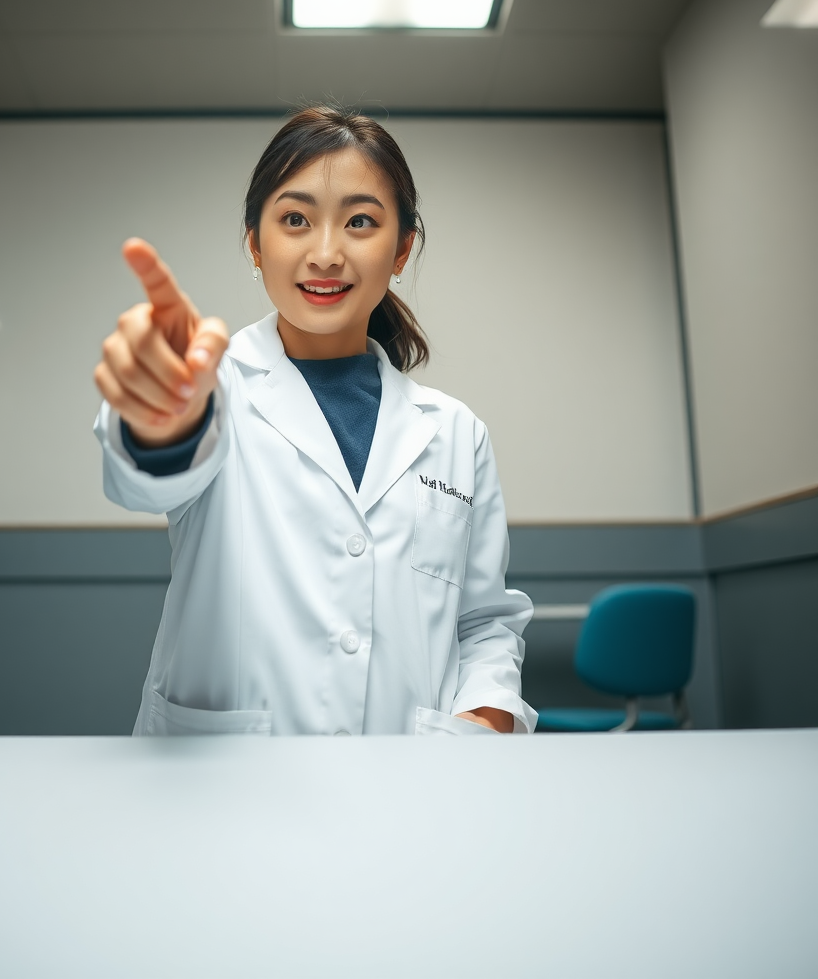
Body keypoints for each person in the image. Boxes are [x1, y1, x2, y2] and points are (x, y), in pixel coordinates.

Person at [93, 106, 537, 736]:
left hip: (414, 793)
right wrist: (164, 416)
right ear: (254, 240)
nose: (325, 254)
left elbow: (485, 623)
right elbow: (149, 475)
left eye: (360, 222)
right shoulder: (215, 388)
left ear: (401, 248)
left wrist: (481, 723)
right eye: (295, 219)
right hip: (224, 798)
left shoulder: (456, 433)